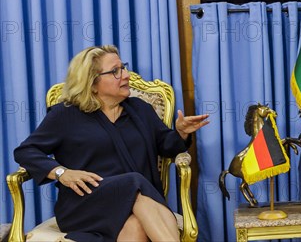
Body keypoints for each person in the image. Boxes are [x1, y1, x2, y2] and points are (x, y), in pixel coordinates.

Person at [14, 45, 210, 241]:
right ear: (91, 83)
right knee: (134, 181)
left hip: (138, 203)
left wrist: (180, 133)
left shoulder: (140, 110)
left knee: (136, 225)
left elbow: (167, 146)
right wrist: (61, 173)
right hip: (85, 205)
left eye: (123, 67)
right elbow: (25, 151)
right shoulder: (65, 115)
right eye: (115, 71)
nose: (126, 75)